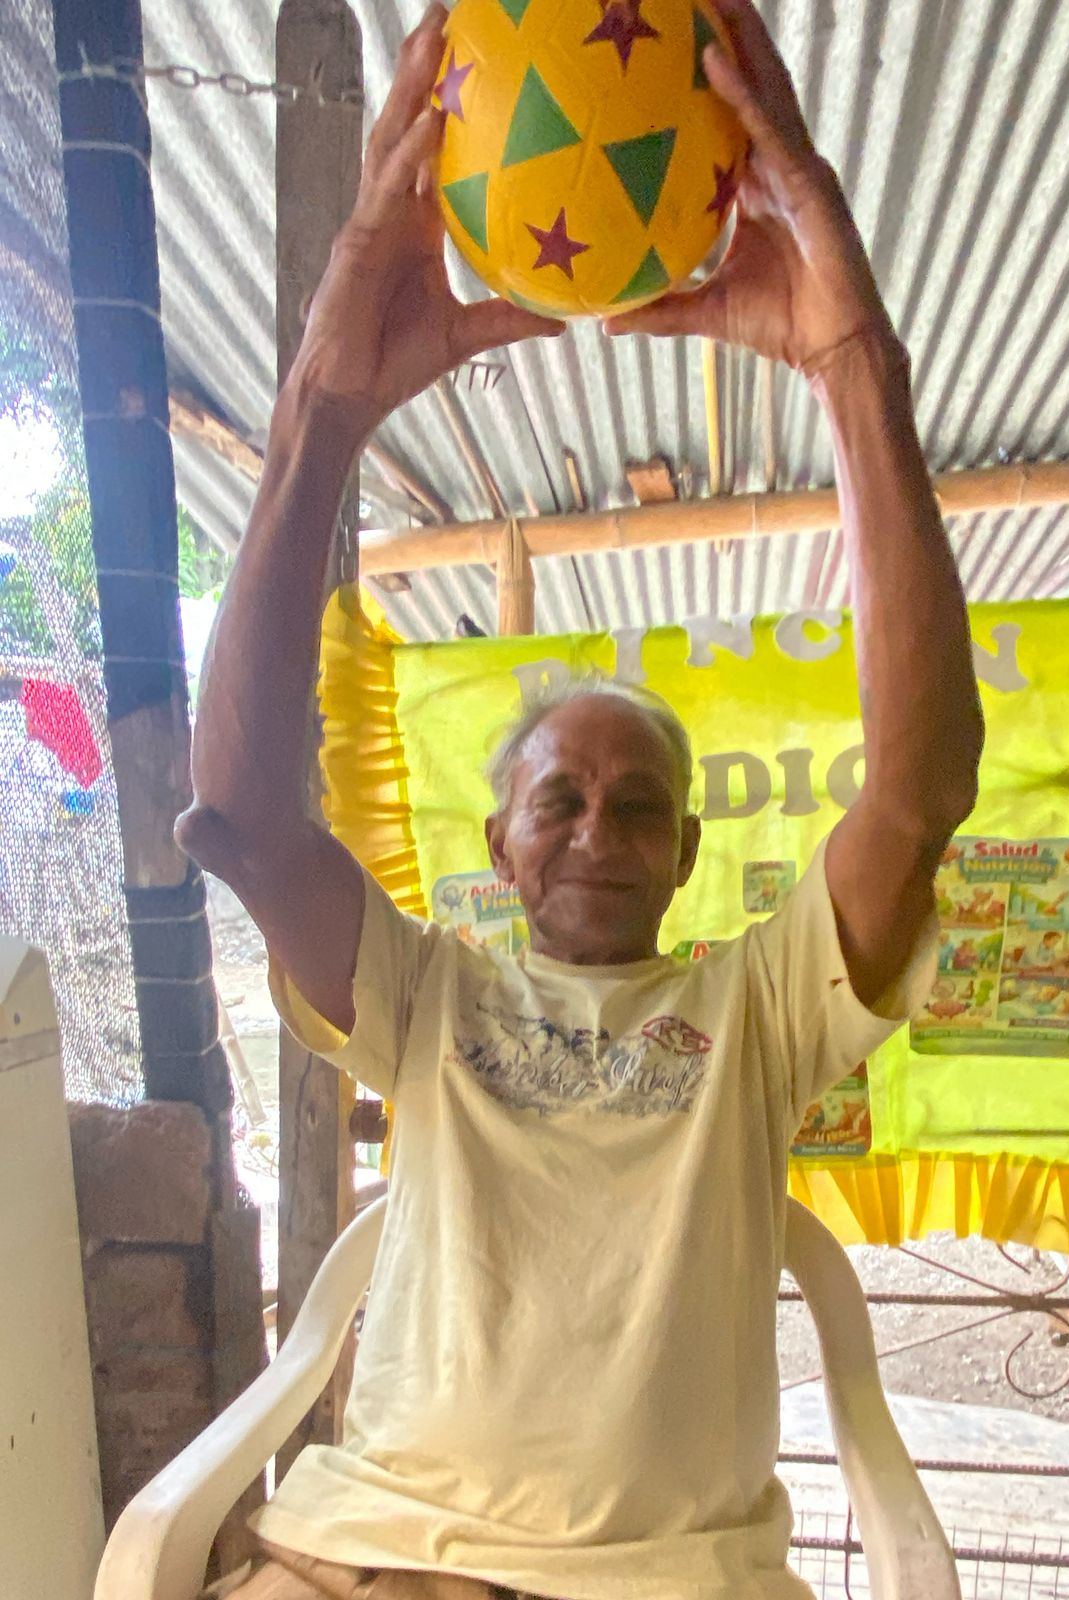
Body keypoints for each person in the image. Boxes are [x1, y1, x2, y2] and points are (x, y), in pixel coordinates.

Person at [180, 0, 983, 1595]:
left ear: (690, 853)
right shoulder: (423, 997)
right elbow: (244, 813)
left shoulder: (761, 1009)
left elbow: (920, 791)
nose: (600, 831)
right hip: (369, 1560)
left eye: (639, 807)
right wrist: (321, 409)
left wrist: (854, 363)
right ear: (498, 846)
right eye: (560, 801)